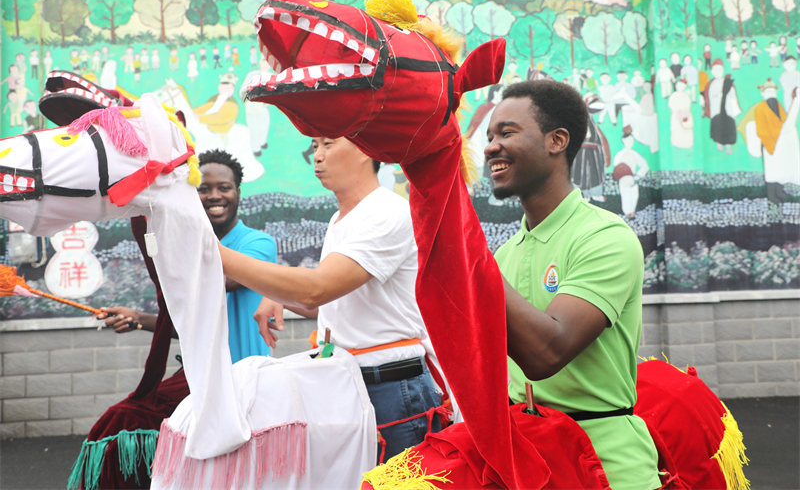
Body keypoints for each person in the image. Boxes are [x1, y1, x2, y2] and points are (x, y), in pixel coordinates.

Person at [218, 136, 444, 460]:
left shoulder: (386, 212)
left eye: (328, 144)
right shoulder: (340, 220)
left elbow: (318, 288)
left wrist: (215, 253)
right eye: (314, 147)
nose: (318, 156)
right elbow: (324, 301)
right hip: (350, 384)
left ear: (367, 149)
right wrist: (277, 296)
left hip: (392, 388)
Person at [484, 80, 660, 490]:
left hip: (606, 466)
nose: (491, 146)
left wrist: (469, 258)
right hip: (526, 464)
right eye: (490, 136)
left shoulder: (606, 237)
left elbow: (547, 353)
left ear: (557, 140)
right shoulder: (504, 254)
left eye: (506, 133)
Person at [101, 150, 277, 363]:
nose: (214, 196)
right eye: (203, 189)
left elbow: (219, 282)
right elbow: (192, 330)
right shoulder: (188, 246)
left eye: (224, 188)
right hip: (202, 381)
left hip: (248, 377)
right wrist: (138, 319)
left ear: (238, 192)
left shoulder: (258, 244)